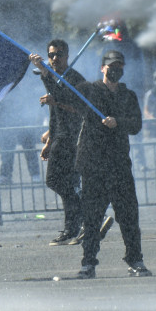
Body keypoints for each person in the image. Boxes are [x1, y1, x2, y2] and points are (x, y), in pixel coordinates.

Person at [74, 50, 151, 278]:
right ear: (102, 68)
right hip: (93, 164)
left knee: (128, 215)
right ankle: (88, 263)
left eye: (119, 66)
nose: (114, 70)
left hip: (119, 164)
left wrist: (118, 122)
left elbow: (136, 125)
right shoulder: (89, 91)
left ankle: (135, 259)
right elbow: (64, 93)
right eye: (110, 66)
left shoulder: (128, 96)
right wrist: (48, 74)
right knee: (92, 217)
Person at [30, 39, 88, 246]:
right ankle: (74, 227)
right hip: (61, 137)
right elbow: (55, 115)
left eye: (59, 54)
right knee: (67, 185)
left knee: (55, 180)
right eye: (52, 55)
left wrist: (56, 98)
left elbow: (80, 108)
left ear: (67, 56)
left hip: (74, 138)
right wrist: (49, 140)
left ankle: (89, 217)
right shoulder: (56, 79)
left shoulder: (74, 79)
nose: (55, 58)